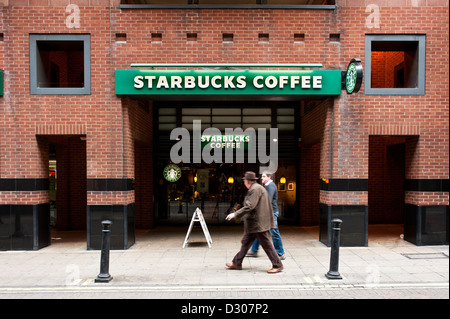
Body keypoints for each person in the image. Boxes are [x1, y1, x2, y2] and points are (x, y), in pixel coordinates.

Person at [225, 171, 284, 274]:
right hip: (254, 223)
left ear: (248, 181)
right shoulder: (256, 188)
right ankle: (237, 263)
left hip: (257, 222)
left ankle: (277, 264)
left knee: (266, 244)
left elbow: (250, 206)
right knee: (245, 242)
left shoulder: (255, 189)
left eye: (244, 181)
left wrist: (235, 214)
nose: (243, 183)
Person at [247, 171, 285, 259]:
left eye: (263, 176)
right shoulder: (268, 186)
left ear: (269, 177)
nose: (262, 178)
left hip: (271, 213)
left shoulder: (270, 186)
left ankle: (280, 253)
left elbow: (268, 200)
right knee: (260, 231)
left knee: (274, 232)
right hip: (268, 212)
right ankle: (254, 250)